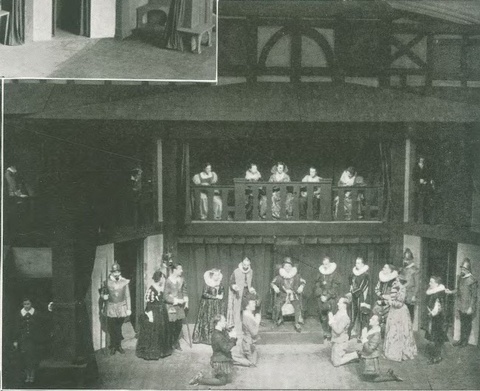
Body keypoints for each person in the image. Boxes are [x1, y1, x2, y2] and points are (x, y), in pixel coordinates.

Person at [189, 315, 237, 386]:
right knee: (222, 381)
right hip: (219, 361)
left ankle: (209, 375)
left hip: (221, 358)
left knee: (226, 378)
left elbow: (226, 341)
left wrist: (230, 333)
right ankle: (199, 379)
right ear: (219, 322)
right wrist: (233, 338)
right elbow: (226, 348)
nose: (226, 322)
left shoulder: (219, 332)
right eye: (224, 321)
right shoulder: (218, 336)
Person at [136, 270, 172, 360]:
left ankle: (162, 352)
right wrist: (150, 315)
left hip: (161, 312)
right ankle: (152, 352)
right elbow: (148, 303)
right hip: (154, 311)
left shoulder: (161, 287)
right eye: (163, 277)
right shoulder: (152, 289)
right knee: (153, 331)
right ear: (159, 278)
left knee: (162, 329)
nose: (164, 279)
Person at [12, 298, 48, 383]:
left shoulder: (36, 313)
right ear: (22, 304)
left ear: (31, 304)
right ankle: (27, 375)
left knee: (33, 358)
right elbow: (16, 328)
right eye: (25, 304)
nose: (26, 306)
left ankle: (32, 375)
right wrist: (15, 340)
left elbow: (42, 324)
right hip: (23, 340)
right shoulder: (20, 314)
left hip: (34, 340)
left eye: (28, 304)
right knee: (25, 358)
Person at [358, 314, 403, 383]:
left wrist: (364, 338)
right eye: (371, 318)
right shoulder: (372, 330)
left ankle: (391, 377)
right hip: (368, 358)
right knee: (366, 377)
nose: (370, 320)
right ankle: (389, 374)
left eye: (373, 319)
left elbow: (369, 350)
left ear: (377, 323)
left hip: (371, 360)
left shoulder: (377, 334)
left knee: (371, 379)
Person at [383, 273, 417, 362]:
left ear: (400, 281)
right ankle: (391, 352)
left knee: (399, 331)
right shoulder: (395, 287)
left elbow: (399, 303)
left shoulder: (402, 289)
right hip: (394, 312)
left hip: (400, 312)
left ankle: (399, 353)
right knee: (392, 330)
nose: (395, 281)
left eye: (397, 280)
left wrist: (390, 302)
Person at [446, 258, 478, 347]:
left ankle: (464, 341)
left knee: (466, 324)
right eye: (461, 268)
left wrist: (471, 307)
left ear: (468, 270)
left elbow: (474, 296)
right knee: (462, 323)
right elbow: (458, 289)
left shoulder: (472, 280)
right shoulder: (460, 278)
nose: (462, 270)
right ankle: (461, 340)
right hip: (461, 304)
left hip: (468, 306)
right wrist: (451, 291)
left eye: (464, 269)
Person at [102, 262, 131, 355]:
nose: (117, 273)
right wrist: (103, 297)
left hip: (121, 307)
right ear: (112, 273)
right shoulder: (106, 282)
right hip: (111, 307)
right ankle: (114, 346)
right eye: (115, 272)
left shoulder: (124, 282)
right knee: (112, 328)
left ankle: (118, 345)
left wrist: (128, 308)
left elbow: (128, 296)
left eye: (118, 272)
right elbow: (103, 293)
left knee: (118, 327)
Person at [271, 257, 306, 332]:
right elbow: (272, 283)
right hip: (283, 294)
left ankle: (296, 323)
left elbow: (303, 281)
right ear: (283, 267)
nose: (287, 268)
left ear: (292, 267)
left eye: (289, 266)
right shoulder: (279, 277)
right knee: (278, 305)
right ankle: (280, 318)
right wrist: (274, 287)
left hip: (293, 294)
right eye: (286, 266)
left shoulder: (296, 276)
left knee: (297, 305)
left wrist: (301, 286)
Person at [192, 268, 227, 345]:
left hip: (218, 305)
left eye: (218, 275)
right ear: (212, 275)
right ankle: (208, 339)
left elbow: (222, 291)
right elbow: (204, 294)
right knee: (208, 320)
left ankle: (219, 338)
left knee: (218, 320)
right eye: (216, 275)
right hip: (208, 305)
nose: (217, 277)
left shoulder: (220, 283)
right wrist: (215, 297)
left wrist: (221, 295)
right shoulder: (208, 283)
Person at [227, 257, 256, 335]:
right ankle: (237, 328)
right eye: (244, 264)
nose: (246, 266)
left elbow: (252, 283)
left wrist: (252, 289)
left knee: (247, 309)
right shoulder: (236, 271)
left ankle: (247, 327)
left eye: (247, 265)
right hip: (239, 293)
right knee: (237, 311)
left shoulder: (251, 271)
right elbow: (231, 282)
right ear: (242, 263)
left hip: (247, 293)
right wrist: (234, 286)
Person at [424, 276, 448, 364]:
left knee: (437, 336)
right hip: (434, 317)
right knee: (434, 336)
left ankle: (437, 357)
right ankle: (435, 355)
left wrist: (432, 313)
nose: (429, 283)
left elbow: (439, 307)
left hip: (439, 318)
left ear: (437, 284)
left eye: (431, 282)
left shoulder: (439, 293)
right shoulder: (433, 292)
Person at [164, 264, 189, 351]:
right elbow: (165, 296)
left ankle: (175, 342)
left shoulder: (182, 279)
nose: (182, 271)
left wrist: (186, 301)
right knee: (172, 325)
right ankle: (170, 343)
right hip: (171, 306)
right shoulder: (168, 281)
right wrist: (176, 300)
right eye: (180, 269)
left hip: (180, 306)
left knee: (179, 325)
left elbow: (184, 290)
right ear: (174, 270)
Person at [328, 297, 359, 367]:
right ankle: (348, 354)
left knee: (336, 363)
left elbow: (338, 330)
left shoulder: (345, 317)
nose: (337, 304)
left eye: (339, 303)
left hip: (341, 342)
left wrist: (331, 321)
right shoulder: (339, 313)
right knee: (333, 359)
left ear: (344, 305)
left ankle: (355, 355)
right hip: (336, 340)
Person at [315, 256, 340, 340]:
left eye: (327, 264)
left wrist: (327, 296)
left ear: (330, 263)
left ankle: (330, 333)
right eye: (324, 264)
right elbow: (317, 284)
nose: (325, 266)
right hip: (322, 296)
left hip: (331, 297)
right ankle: (324, 332)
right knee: (322, 315)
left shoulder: (335, 274)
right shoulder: (320, 273)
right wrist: (321, 295)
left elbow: (335, 287)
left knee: (331, 315)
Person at [373, 264, 398, 336]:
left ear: (390, 270)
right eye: (383, 267)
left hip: (390, 304)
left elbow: (395, 293)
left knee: (388, 321)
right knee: (377, 317)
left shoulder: (395, 281)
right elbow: (376, 289)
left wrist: (389, 297)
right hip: (380, 302)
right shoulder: (381, 279)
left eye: (385, 268)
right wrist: (382, 295)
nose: (383, 268)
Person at [348, 257, 370, 338]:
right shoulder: (354, 273)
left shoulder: (365, 274)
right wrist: (351, 287)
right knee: (353, 315)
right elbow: (351, 282)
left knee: (362, 315)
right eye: (356, 263)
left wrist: (352, 293)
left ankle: (361, 335)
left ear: (363, 264)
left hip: (361, 297)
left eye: (359, 263)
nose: (357, 264)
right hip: (354, 296)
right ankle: (350, 333)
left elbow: (362, 287)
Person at [238, 298, 261, 367]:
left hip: (249, 342)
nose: (255, 304)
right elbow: (254, 332)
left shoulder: (247, 315)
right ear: (247, 306)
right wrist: (257, 320)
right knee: (252, 363)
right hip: (248, 345)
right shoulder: (247, 317)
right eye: (252, 303)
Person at [412, 156, 434, 223]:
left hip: (425, 187)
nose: (422, 160)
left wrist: (429, 181)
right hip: (418, 188)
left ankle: (425, 220)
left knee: (426, 202)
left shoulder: (426, 167)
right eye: (420, 159)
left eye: (423, 159)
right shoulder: (415, 168)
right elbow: (413, 177)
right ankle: (416, 220)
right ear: (418, 160)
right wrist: (419, 180)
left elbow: (428, 176)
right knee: (418, 203)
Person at [400, 248, 419, 321]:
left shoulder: (415, 270)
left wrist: (414, 295)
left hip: (410, 294)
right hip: (402, 293)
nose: (405, 261)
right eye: (405, 259)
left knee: (409, 314)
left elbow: (417, 284)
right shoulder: (403, 269)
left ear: (411, 260)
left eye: (407, 259)